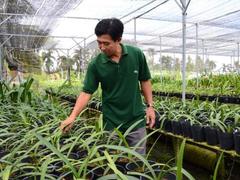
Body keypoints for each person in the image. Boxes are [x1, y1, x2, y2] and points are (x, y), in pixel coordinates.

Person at [60, 18, 155, 155]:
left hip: (136, 121)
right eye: (99, 43)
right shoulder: (96, 64)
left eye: (106, 43)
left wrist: (150, 106)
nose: (102, 47)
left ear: (118, 40)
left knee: (138, 163)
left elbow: (145, 80)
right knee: (113, 164)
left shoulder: (136, 55)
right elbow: (86, 92)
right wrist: (72, 116)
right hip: (111, 124)